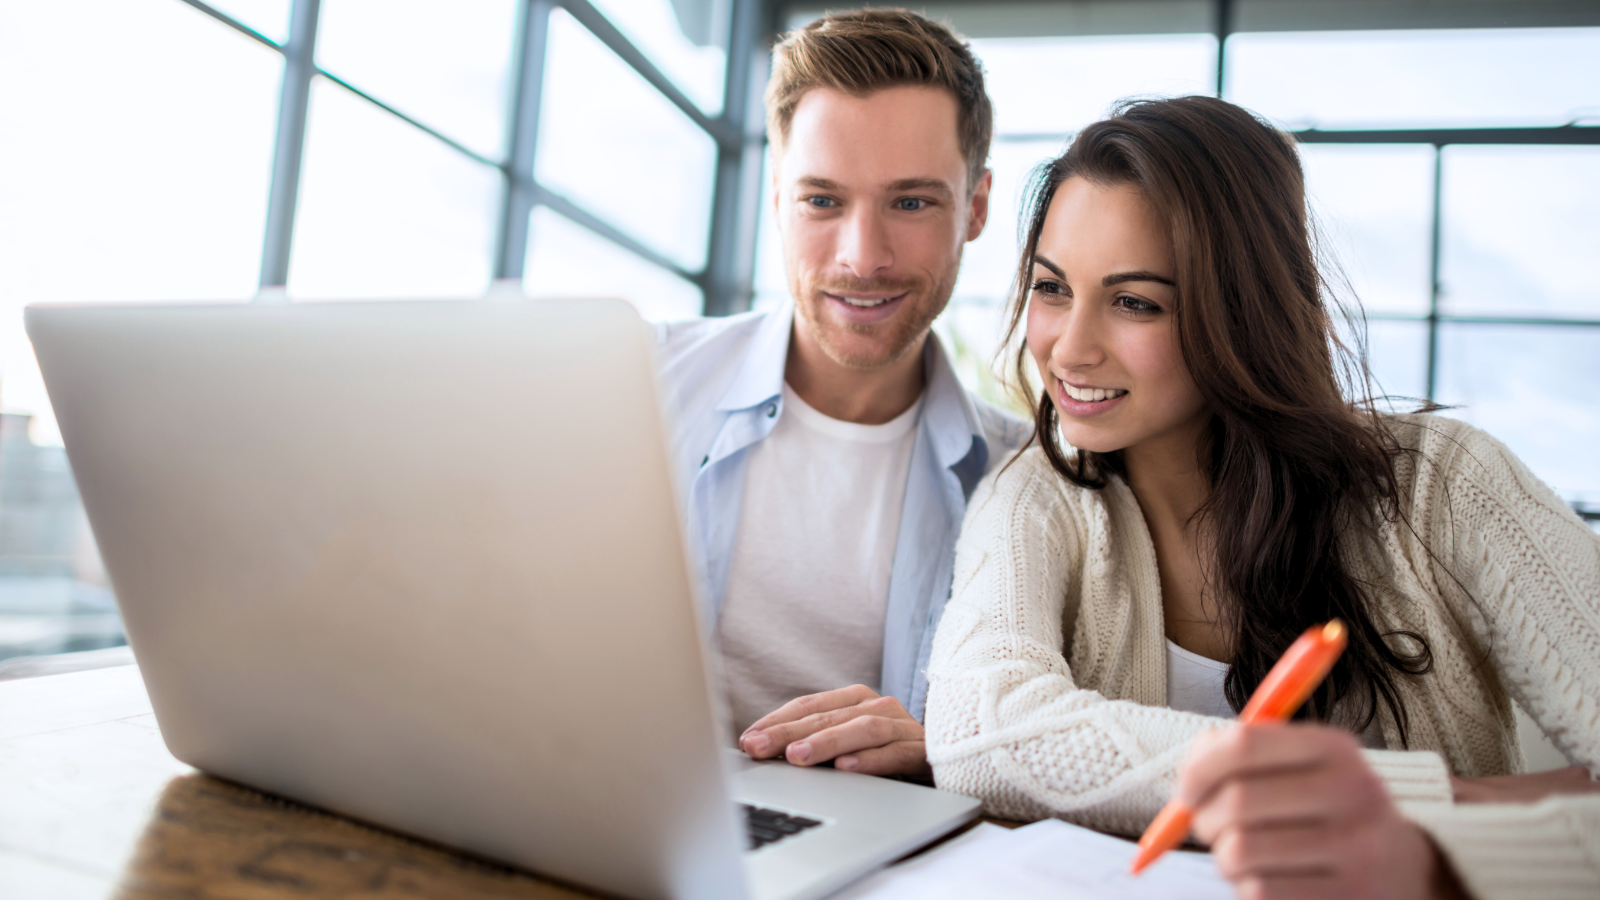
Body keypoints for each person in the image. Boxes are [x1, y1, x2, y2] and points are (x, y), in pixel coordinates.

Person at [922, 96, 1600, 899]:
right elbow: (980, 731)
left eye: (1136, 301)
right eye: (1052, 287)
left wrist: (1431, 846)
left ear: (1241, 310)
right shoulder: (1038, 496)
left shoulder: (1445, 483)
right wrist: (1410, 798)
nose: (1070, 347)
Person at [654, 9, 1026, 778]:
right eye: (823, 201)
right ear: (778, 200)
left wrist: (950, 754)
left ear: (977, 209)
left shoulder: (1027, 481)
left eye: (912, 202)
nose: (864, 258)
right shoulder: (635, 383)